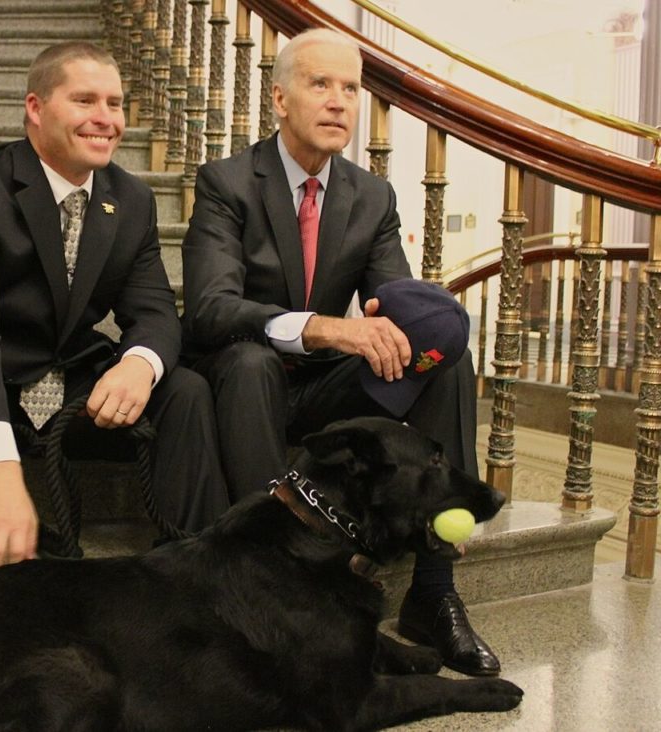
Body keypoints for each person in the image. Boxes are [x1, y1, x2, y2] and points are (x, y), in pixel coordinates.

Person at [0, 42, 230, 636]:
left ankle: (204, 611)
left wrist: (138, 364)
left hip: (69, 378)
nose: (106, 117)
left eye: (115, 103)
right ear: (35, 108)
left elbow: (156, 312)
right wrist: (2, 478)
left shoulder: (130, 199)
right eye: (84, 99)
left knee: (184, 389)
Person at [180, 28, 500, 677]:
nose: (337, 101)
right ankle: (269, 582)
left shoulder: (370, 196)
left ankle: (434, 590)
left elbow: (393, 312)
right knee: (248, 360)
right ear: (279, 98)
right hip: (245, 391)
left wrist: (419, 328)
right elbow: (211, 309)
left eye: (349, 88)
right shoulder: (227, 183)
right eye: (319, 84)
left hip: (330, 397)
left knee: (447, 362)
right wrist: (326, 327)